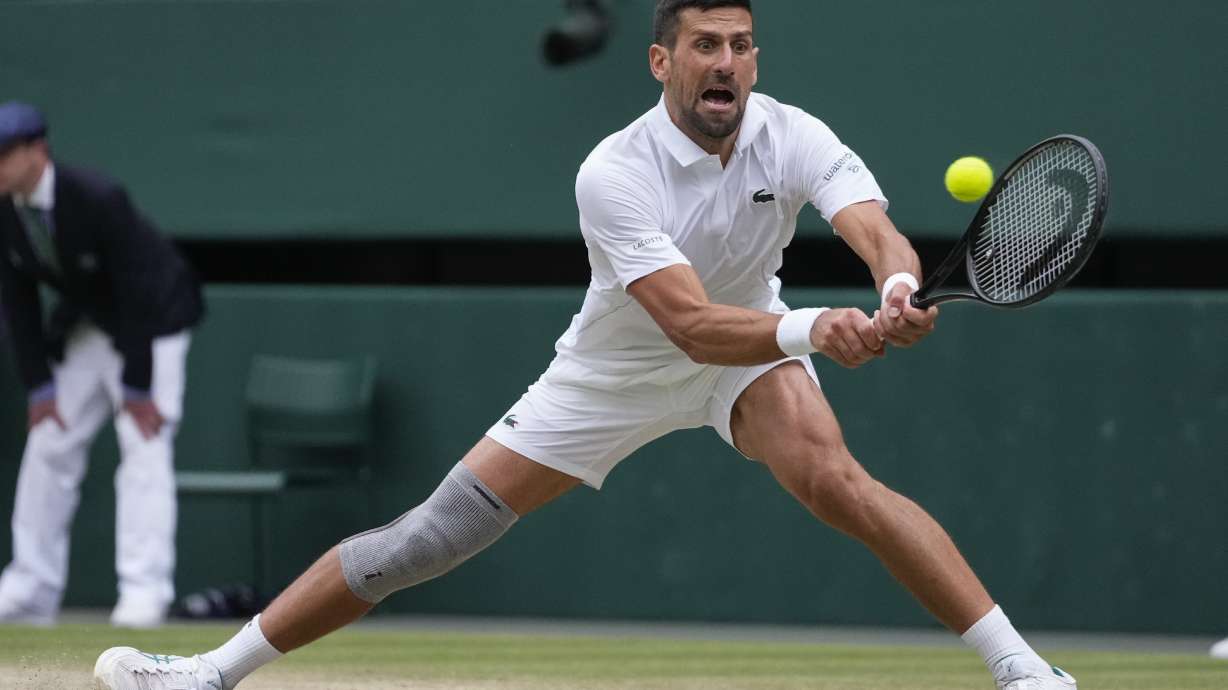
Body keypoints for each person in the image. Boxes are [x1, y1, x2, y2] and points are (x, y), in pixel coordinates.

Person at [92, 1, 1077, 688]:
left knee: (840, 486)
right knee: (426, 540)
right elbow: (687, 322)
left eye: (739, 43)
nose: (725, 61)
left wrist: (896, 282)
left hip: (750, 362)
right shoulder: (613, 172)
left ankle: (1022, 671)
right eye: (703, 45)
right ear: (663, 61)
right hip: (613, 371)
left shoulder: (793, 134)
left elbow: (870, 224)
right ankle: (210, 673)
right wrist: (812, 328)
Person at [0, 101, 204, 628]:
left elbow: (138, 293)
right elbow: (16, 298)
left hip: (153, 324)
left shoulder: (97, 198)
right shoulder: (5, 210)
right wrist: (39, 386)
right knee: (49, 442)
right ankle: (28, 589)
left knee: (144, 446)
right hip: (90, 326)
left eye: (3, 155)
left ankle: (143, 594)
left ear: (36, 151)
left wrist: (138, 387)